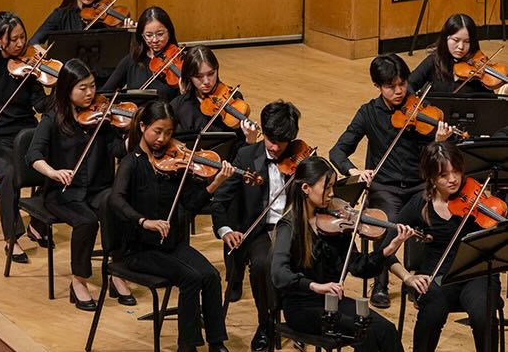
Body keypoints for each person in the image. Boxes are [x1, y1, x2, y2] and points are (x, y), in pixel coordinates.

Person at [329, 53, 453, 309]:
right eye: (391, 86)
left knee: (434, 223)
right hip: (385, 187)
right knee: (388, 225)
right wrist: (354, 172)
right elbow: (338, 151)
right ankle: (381, 282)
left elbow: (435, 158)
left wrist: (438, 143)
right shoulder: (368, 113)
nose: (399, 91)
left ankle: (423, 283)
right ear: (377, 86)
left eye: (402, 84)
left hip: (420, 185)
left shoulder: (421, 109)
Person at [110, 100, 233, 352]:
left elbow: (189, 205)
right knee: (190, 277)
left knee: (210, 275)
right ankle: (186, 346)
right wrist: (144, 221)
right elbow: (116, 200)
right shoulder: (131, 163)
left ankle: (216, 343)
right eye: (157, 131)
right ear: (143, 126)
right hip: (138, 249)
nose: (163, 139)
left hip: (169, 244)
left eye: (168, 133)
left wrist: (215, 183)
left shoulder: (174, 165)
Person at [271, 156, 414, 352]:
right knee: (365, 331)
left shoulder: (335, 224)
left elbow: (358, 266)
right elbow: (279, 274)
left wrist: (389, 248)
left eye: (333, 188)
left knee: (386, 330)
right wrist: (316, 286)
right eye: (326, 188)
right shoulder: (289, 226)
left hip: (333, 303)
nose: (332, 194)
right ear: (306, 189)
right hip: (302, 307)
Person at [26, 58, 134, 311]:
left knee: (116, 206)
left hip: (98, 188)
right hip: (63, 193)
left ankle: (117, 271)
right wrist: (53, 172)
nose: (90, 93)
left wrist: (133, 135)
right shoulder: (52, 118)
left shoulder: (103, 117)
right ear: (67, 89)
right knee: (86, 221)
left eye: (92, 86)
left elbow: (117, 150)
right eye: (82, 88)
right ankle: (79, 281)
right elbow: (33, 155)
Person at [383, 141, 502, 351]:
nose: (453, 179)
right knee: (432, 314)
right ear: (430, 177)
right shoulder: (419, 205)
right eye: (443, 175)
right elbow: (384, 250)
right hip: (436, 277)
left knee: (483, 317)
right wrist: (407, 277)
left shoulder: (477, 196)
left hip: (478, 274)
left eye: (456, 171)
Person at [211, 100, 300, 351]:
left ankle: (304, 322)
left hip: (294, 227)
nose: (273, 147)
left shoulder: (301, 158)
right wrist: (226, 230)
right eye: (270, 139)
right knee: (263, 263)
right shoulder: (247, 156)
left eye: (280, 142)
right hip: (261, 230)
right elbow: (220, 201)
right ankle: (267, 323)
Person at [0, 11, 49, 263]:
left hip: (27, 137)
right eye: (15, 39)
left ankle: (37, 224)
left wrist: (59, 89)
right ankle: (11, 238)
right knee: (8, 174)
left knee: (59, 163)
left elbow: (41, 105)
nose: (21, 44)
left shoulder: (29, 69)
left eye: (23, 37)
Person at [171, 45, 259, 147]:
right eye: (199, 76)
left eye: (211, 74)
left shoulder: (233, 98)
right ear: (189, 76)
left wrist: (250, 140)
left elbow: (241, 149)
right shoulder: (179, 105)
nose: (206, 81)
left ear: (217, 70)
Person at [99, 6, 180, 101]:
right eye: (148, 35)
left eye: (160, 34)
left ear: (169, 32)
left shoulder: (179, 61)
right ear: (142, 35)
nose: (154, 40)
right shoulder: (131, 60)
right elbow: (104, 94)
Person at [408, 13, 494, 94]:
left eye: (467, 41)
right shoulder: (433, 61)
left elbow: (491, 102)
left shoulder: (478, 71)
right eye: (456, 40)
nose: (461, 46)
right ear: (446, 38)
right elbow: (409, 85)